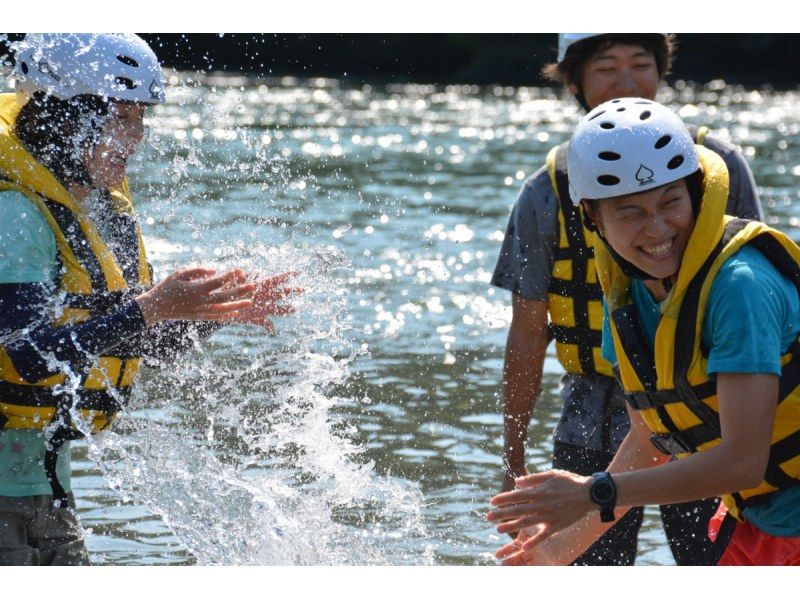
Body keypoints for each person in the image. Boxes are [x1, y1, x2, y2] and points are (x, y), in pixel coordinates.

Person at [0, 33, 299, 565]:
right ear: (65, 119)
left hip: (46, 490)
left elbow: (124, 350)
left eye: (142, 120)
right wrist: (152, 307)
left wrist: (208, 314)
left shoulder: (92, 209)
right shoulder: (16, 216)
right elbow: (22, 357)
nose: (137, 137)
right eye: (123, 119)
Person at [489, 97, 800, 566]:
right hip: (759, 522)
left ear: (697, 193)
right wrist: (553, 553)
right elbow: (651, 439)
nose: (657, 229)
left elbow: (743, 460)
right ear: (593, 217)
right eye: (630, 212)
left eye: (671, 201)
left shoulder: (741, 288)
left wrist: (593, 491)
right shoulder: (627, 292)